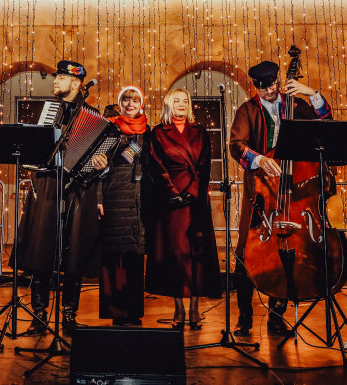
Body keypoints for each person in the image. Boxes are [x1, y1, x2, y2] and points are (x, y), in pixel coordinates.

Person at [228, 60, 332, 336]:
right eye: (262, 88)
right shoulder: (247, 110)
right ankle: (245, 316)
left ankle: (277, 315)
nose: (269, 91)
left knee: (290, 251)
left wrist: (313, 94)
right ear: (256, 87)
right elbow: (236, 145)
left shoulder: (296, 105)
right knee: (245, 251)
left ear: (278, 80)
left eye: (272, 85)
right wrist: (259, 159)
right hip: (261, 192)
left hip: (294, 190)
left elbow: (325, 123)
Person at [14, 60, 107, 336]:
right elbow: (36, 150)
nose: (55, 81)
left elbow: (96, 157)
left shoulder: (93, 115)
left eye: (62, 77)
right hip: (47, 186)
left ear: (77, 83)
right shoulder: (49, 111)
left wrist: (100, 165)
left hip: (78, 191)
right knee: (41, 249)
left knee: (73, 254)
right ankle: (39, 315)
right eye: (56, 76)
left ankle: (68, 315)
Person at [145, 88, 221, 330]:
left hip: (196, 200)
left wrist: (191, 192)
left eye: (185, 100)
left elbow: (204, 165)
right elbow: (156, 166)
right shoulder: (158, 132)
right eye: (176, 100)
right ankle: (178, 308)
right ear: (169, 104)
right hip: (170, 202)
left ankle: (195, 308)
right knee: (175, 255)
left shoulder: (200, 131)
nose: (181, 104)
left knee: (197, 254)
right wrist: (172, 193)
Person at [95, 86, 149, 326]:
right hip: (114, 196)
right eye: (125, 100)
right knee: (113, 257)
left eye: (134, 101)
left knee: (135, 258)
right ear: (120, 104)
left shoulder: (147, 131)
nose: (130, 104)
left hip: (138, 200)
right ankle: (116, 312)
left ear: (141, 105)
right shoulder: (108, 129)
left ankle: (133, 311)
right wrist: (98, 198)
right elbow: (97, 166)